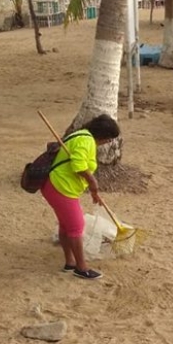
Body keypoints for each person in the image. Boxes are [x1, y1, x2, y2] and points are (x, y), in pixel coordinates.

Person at [41, 114, 121, 280]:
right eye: (109, 139)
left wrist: (93, 193)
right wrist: (93, 183)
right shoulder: (86, 141)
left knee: (66, 225)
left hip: (56, 185)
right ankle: (81, 268)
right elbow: (78, 166)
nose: (109, 142)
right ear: (103, 136)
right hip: (61, 187)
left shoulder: (81, 135)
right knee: (77, 226)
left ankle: (70, 263)